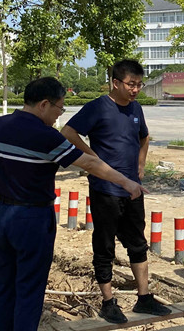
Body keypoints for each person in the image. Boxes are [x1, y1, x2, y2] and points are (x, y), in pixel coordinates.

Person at [0, 77, 144, 331]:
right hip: (32, 218)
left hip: (2, 214)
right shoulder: (45, 136)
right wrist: (126, 181)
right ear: (44, 104)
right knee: (29, 289)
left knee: (4, 285)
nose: (60, 114)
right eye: (60, 108)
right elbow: (89, 163)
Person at [61, 59, 171, 324]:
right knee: (105, 245)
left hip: (133, 188)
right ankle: (108, 302)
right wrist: (92, 158)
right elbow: (68, 132)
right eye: (131, 84)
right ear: (116, 83)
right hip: (105, 189)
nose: (135, 90)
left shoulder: (136, 109)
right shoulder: (98, 107)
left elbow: (144, 136)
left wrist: (141, 164)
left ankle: (144, 298)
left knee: (138, 243)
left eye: (139, 85)